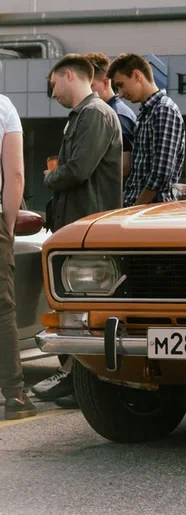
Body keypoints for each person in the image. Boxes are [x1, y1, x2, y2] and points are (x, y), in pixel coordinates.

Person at [32, 54, 123, 406]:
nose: (52, 93)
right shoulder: (85, 116)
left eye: (53, 84)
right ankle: (73, 375)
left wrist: (50, 177)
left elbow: (78, 170)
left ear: (69, 76)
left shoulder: (95, 114)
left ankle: (78, 376)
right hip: (80, 224)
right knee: (74, 308)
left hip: (89, 226)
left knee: (84, 309)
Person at [107, 53, 186, 206]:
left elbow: (161, 174)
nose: (121, 94)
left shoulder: (163, 110)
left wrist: (136, 207)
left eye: (121, 85)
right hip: (140, 210)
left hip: (151, 212)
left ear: (137, 75)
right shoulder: (148, 112)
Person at [0, 91, 36, 419]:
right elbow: (15, 176)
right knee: (2, 309)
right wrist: (8, 225)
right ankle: (14, 397)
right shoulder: (3, 107)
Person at [86, 52, 136, 179]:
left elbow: (125, 166)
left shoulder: (117, 115)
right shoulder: (108, 112)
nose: (86, 91)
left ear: (106, 83)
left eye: (90, 86)